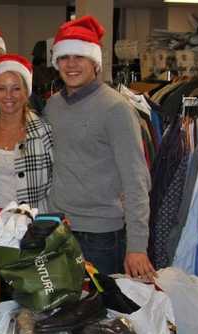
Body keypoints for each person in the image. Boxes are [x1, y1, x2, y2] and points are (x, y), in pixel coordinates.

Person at [44, 16, 154, 278]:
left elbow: (136, 179)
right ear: (56, 62)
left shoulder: (116, 108)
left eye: (79, 56)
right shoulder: (53, 106)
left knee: (99, 316)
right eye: (64, 57)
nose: (71, 64)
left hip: (101, 237)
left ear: (95, 62)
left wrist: (137, 246)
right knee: (62, 314)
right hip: (58, 228)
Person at [0, 54, 54, 227]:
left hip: (34, 225)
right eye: (2, 88)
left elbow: (56, 186)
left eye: (16, 88)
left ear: (27, 92)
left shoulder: (43, 131)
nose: (8, 96)